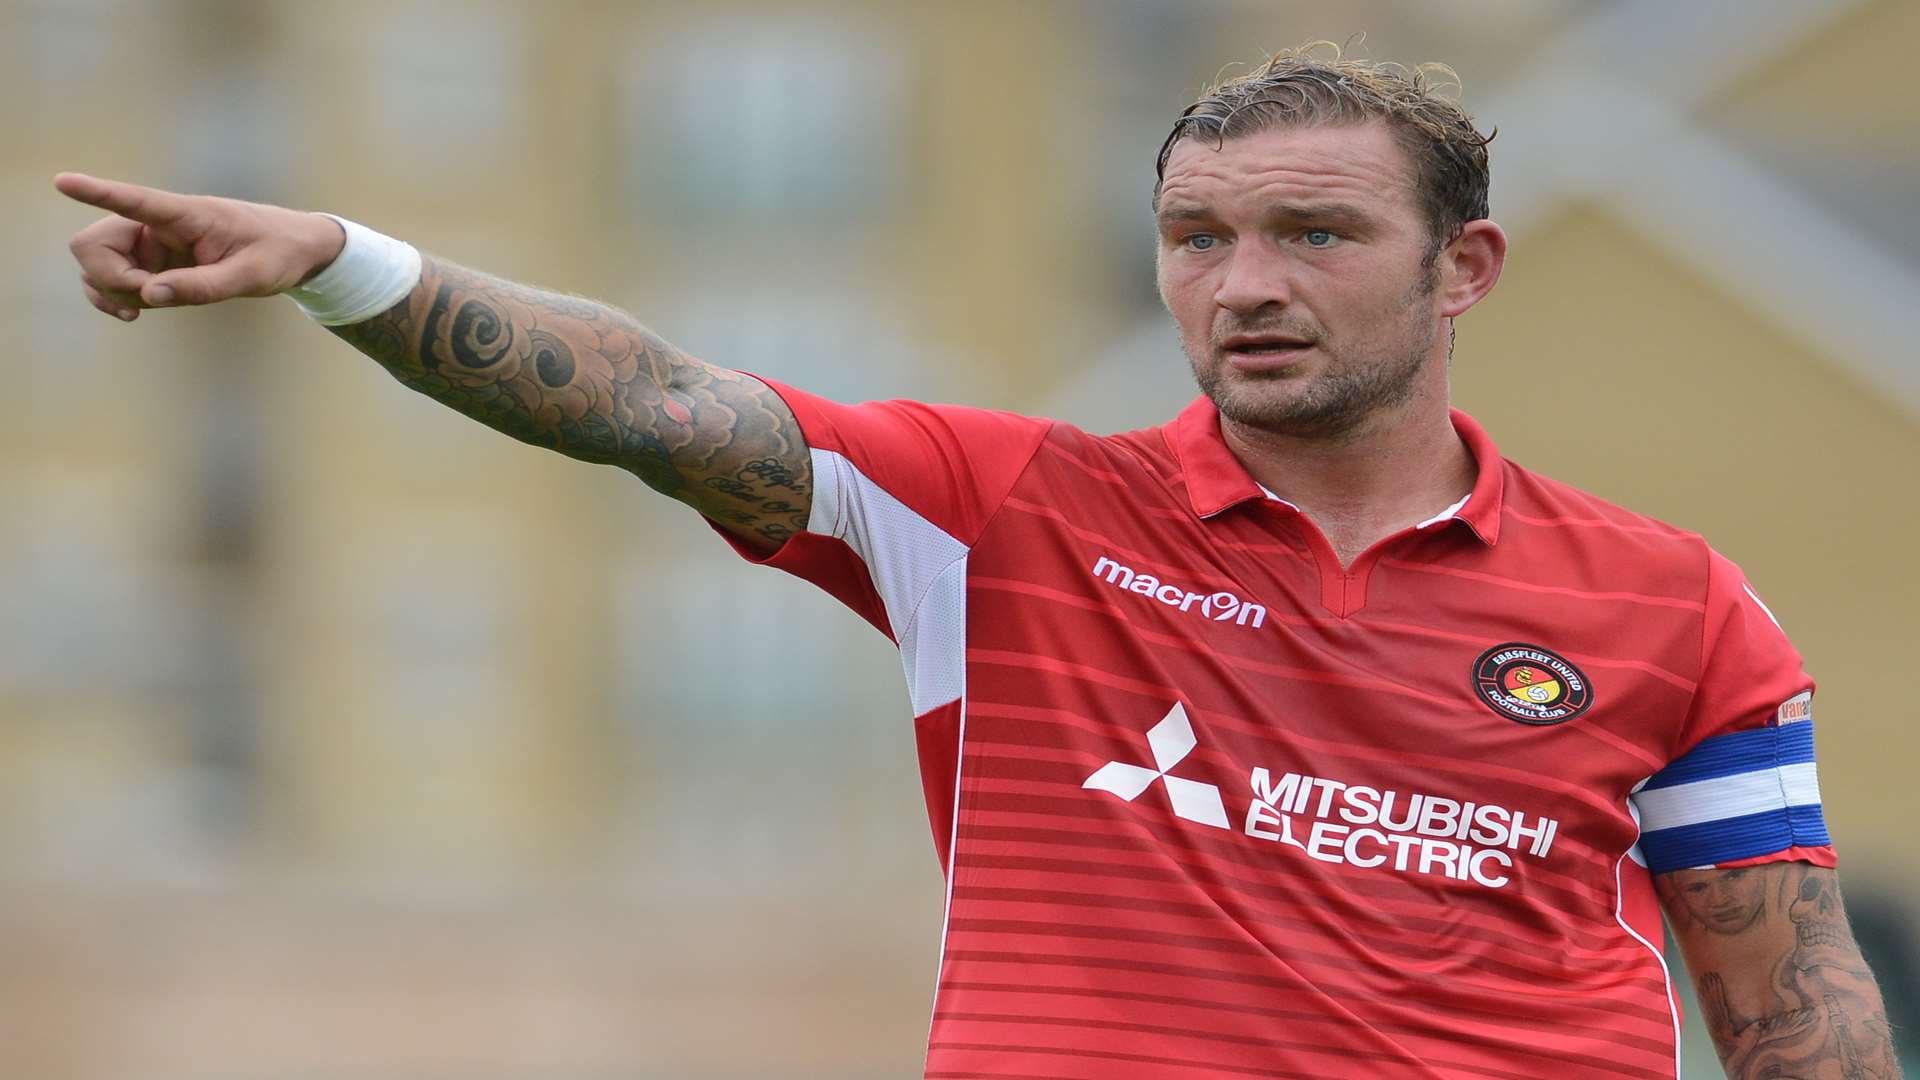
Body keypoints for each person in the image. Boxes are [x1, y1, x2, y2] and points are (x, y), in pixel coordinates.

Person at [57, 42, 1897, 1080]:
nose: (1243, 285)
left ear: (1463, 270)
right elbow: (653, 400)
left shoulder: (1674, 603)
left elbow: (1792, 1011)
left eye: (1314, 234)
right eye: (1196, 238)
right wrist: (350, 267)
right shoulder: (1007, 512)